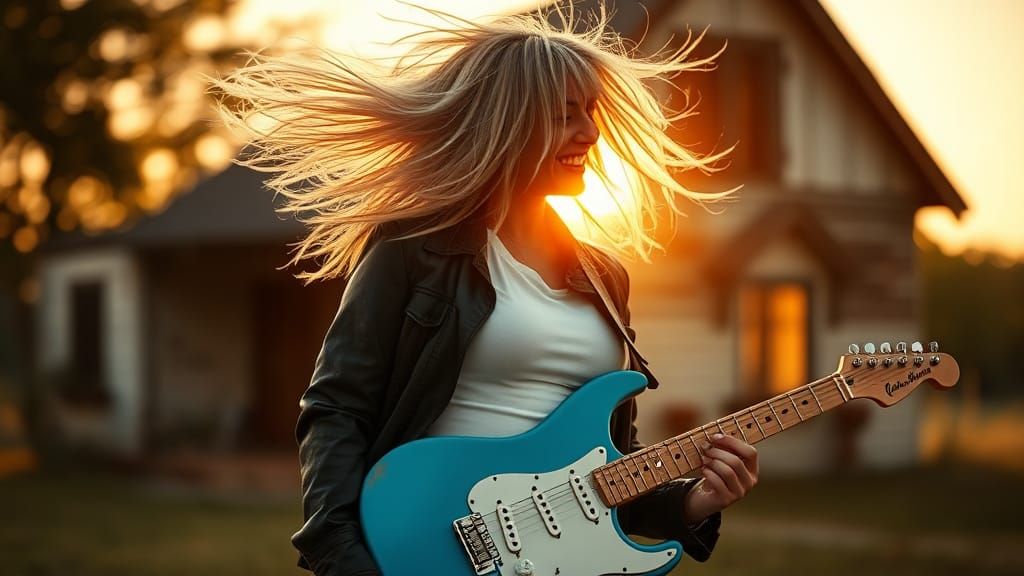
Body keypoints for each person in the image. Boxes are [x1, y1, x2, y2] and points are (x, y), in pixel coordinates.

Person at [210, 3, 759, 574]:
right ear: (507, 121)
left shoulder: (605, 278)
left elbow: (600, 475)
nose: (591, 132)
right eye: (565, 114)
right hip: (420, 546)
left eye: (590, 112)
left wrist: (692, 501)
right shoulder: (415, 247)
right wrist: (341, 556)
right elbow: (336, 408)